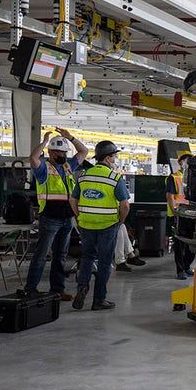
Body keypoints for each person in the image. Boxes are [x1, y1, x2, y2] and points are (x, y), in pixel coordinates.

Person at [23, 128, 88, 301]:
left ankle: (57, 289)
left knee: (61, 256)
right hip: (50, 218)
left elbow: (84, 151)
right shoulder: (44, 169)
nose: (62, 154)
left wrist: (70, 138)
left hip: (67, 218)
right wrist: (44, 142)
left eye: (64, 151)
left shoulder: (68, 166)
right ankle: (31, 289)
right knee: (41, 255)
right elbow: (33, 158)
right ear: (51, 152)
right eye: (58, 151)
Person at [70, 140, 130, 310]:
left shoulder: (83, 176)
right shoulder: (115, 178)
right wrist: (121, 220)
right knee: (104, 262)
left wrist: (79, 216)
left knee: (88, 257)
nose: (115, 159)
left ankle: (82, 288)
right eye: (114, 156)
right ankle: (98, 300)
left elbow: (73, 199)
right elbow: (125, 205)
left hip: (86, 224)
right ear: (108, 158)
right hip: (107, 225)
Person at [167, 151, 195, 280]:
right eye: (185, 160)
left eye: (189, 160)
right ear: (179, 163)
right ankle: (180, 270)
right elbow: (170, 197)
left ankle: (187, 266)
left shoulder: (193, 178)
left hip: (191, 215)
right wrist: (175, 212)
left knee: (191, 244)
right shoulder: (173, 178)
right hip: (178, 215)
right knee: (179, 244)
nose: (187, 163)